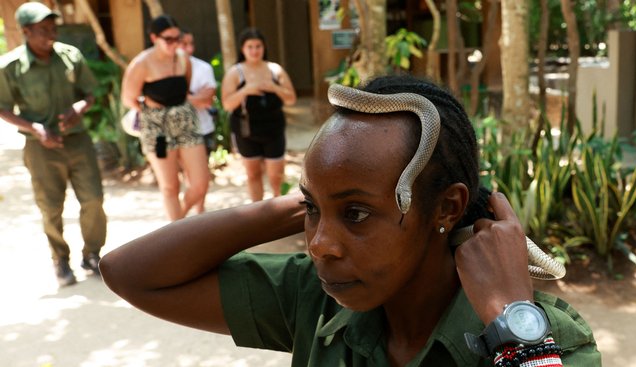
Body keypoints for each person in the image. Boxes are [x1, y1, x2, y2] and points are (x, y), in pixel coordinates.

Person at [100, 75, 600, 366]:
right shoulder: (314, 300)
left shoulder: (551, 340)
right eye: (312, 210)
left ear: (447, 209)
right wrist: (319, 202)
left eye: (357, 213)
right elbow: (130, 272)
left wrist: (515, 328)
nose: (319, 245)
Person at [0, 2, 106, 287]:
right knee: (51, 207)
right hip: (40, 148)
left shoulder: (71, 56)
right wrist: (34, 128)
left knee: (94, 199)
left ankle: (93, 254)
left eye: (53, 28)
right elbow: (3, 108)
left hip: (78, 141)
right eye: (43, 29)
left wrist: (78, 109)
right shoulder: (10, 67)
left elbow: (90, 94)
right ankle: (60, 258)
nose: (51, 34)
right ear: (26, 31)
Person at [121, 15, 209, 221]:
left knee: (200, 184)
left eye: (177, 39)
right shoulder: (141, 63)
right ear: (154, 38)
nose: (174, 44)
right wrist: (152, 113)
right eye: (168, 39)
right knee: (170, 186)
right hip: (157, 127)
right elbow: (128, 98)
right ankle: (177, 234)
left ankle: (178, 223)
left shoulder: (182, 58)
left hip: (185, 121)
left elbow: (184, 88)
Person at [221, 27, 296, 202]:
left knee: (276, 175)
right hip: (246, 130)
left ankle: (280, 211)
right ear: (243, 49)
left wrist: (275, 87)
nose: (255, 51)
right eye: (250, 47)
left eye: (258, 46)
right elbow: (227, 104)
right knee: (253, 174)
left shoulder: (275, 70)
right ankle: (258, 214)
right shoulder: (235, 73)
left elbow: (291, 99)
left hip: (273, 129)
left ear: (264, 47)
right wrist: (246, 90)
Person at [179, 28, 217, 214]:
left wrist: (178, 99)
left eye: (190, 43)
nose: (189, 48)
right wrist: (196, 98)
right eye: (183, 43)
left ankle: (197, 216)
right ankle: (180, 218)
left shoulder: (204, 68)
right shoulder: (162, 69)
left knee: (201, 179)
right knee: (188, 178)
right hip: (177, 132)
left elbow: (208, 99)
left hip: (203, 129)